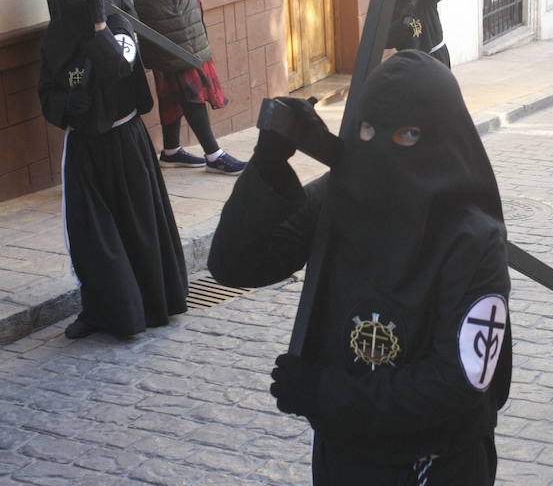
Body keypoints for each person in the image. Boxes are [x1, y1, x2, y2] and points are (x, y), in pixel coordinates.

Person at [208, 50, 512, 485]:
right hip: (345, 455)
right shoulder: (339, 201)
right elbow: (236, 266)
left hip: (434, 463)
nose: (382, 149)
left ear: (441, 136)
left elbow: (455, 383)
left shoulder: (472, 239)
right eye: (368, 129)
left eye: (407, 134)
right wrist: (269, 166)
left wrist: (325, 392)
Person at [38, 0, 188, 339]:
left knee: (136, 228)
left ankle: (151, 304)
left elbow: (118, 67)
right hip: (85, 147)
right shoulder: (55, 36)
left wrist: (98, 26)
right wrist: (66, 106)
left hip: (125, 142)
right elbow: (46, 91)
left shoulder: (120, 27)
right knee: (91, 235)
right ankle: (101, 310)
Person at [119, 0, 245, 175]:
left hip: (176, 11)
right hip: (165, 16)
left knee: (172, 84)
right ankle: (214, 154)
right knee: (188, 82)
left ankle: (172, 150)